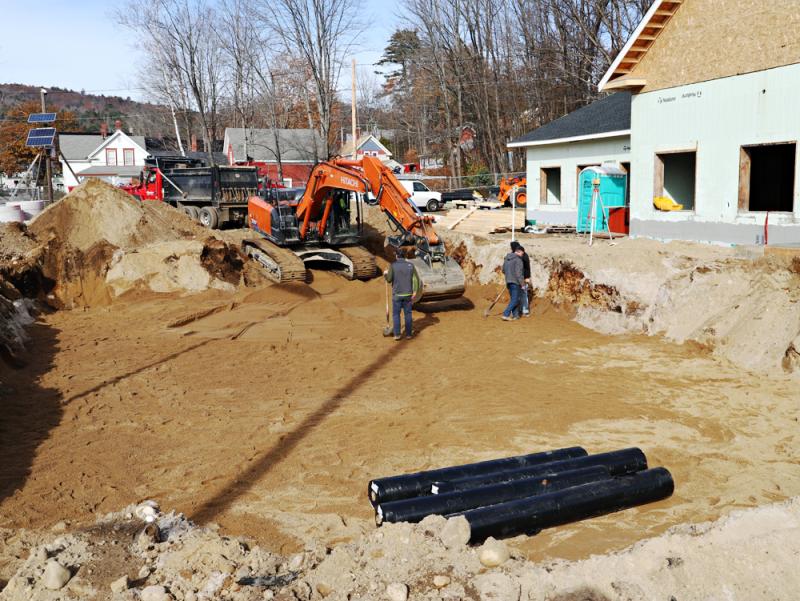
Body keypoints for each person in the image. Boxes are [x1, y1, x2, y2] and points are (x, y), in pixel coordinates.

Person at [384, 247, 420, 340]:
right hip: (408, 295)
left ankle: (397, 334)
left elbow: (389, 279)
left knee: (396, 314)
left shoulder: (393, 265)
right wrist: (415, 291)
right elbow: (416, 279)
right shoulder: (411, 265)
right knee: (408, 314)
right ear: (405, 256)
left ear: (397, 255)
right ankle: (408, 334)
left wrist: (385, 274)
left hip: (397, 295)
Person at [501, 245, 525, 321]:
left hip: (508, 281)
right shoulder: (518, 260)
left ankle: (515, 315)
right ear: (519, 252)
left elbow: (503, 270)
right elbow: (519, 274)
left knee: (513, 299)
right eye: (522, 253)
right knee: (515, 300)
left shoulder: (507, 259)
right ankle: (505, 314)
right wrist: (523, 284)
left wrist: (509, 276)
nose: (522, 255)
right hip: (515, 282)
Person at [510, 241, 532, 317]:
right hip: (515, 278)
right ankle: (517, 310)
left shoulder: (524, 255)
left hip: (523, 278)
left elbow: (527, 268)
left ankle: (525, 311)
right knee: (516, 295)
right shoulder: (514, 254)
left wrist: (527, 277)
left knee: (523, 294)